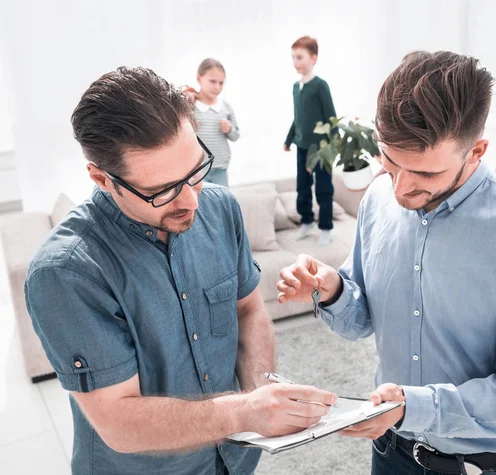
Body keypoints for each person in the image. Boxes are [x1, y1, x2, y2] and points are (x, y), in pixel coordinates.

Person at [24, 66, 337, 475]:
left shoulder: (221, 208)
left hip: (237, 458)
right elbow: (120, 423)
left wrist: (262, 388)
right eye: (162, 191)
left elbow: (248, 311)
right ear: (102, 178)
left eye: (195, 172)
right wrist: (244, 411)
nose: (190, 201)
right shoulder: (67, 273)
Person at [277, 51, 496, 475]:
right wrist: (334, 290)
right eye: (390, 161)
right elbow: (363, 318)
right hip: (391, 453)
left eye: (425, 174)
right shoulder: (379, 199)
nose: (401, 187)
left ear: (476, 151)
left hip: (486, 466)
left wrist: (412, 407)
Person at [284, 36, 337, 246]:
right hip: (302, 148)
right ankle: (306, 221)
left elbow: (331, 117)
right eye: (293, 58)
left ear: (313, 58)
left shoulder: (320, 86)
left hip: (322, 149)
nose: (295, 62)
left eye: (300, 57)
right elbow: (298, 118)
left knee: (324, 188)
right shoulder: (296, 88)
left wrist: (333, 148)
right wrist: (289, 140)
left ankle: (325, 227)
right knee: (302, 187)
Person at [182, 58, 240, 187]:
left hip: (221, 166)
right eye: (212, 81)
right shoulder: (191, 106)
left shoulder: (226, 107)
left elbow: (236, 136)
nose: (217, 87)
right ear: (199, 78)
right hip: (198, 169)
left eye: (221, 83)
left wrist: (229, 129)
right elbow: (178, 135)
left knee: (222, 200)